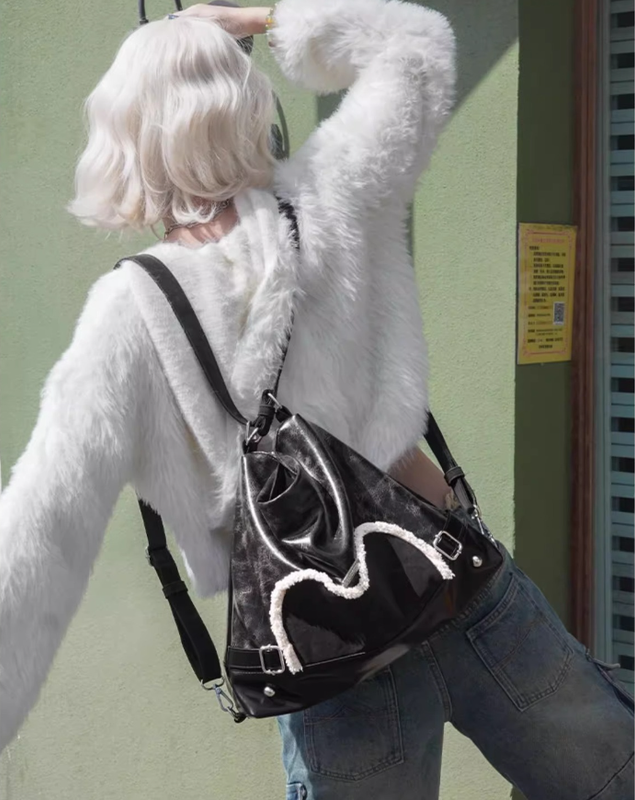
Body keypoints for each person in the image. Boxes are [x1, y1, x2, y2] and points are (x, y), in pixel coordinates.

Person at [0, 1, 632, 797]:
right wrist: (259, 18)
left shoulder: (129, 311)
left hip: (327, 650)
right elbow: (414, 48)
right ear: (246, 107)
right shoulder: (330, 196)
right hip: (457, 579)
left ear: (121, 137)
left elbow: (40, 529)